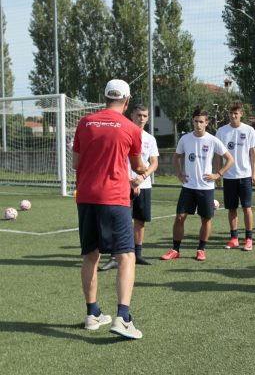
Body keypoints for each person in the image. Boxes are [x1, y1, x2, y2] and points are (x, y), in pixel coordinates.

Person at [73, 79, 146, 339]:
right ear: (127, 102)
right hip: (114, 198)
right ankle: (123, 317)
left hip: (86, 197)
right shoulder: (130, 127)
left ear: (104, 98)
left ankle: (92, 314)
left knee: (91, 255)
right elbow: (137, 166)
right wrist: (142, 170)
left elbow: (75, 162)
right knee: (126, 255)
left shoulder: (85, 123)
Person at [161, 108, 234, 261]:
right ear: (192, 121)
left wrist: (217, 174)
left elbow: (230, 159)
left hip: (206, 188)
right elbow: (177, 157)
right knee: (180, 217)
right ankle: (175, 249)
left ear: (206, 123)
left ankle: (201, 249)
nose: (198, 124)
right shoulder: (185, 139)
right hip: (188, 187)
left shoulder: (213, 140)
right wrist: (179, 173)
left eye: (201, 122)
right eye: (196, 121)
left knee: (206, 219)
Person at [99, 104, 159, 271]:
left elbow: (154, 163)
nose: (141, 118)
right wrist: (129, 180)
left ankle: (137, 254)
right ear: (132, 115)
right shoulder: (122, 133)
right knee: (118, 221)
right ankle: (113, 257)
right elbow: (116, 160)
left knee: (140, 221)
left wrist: (142, 177)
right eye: (139, 114)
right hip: (122, 185)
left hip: (144, 184)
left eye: (145, 115)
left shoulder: (150, 139)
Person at [215, 102, 255, 252]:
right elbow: (218, 154)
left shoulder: (249, 130)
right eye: (231, 113)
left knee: (247, 208)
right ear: (228, 114)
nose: (233, 116)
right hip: (228, 176)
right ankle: (234, 238)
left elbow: (253, 153)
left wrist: (254, 173)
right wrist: (218, 173)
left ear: (241, 114)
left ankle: (249, 239)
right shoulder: (221, 131)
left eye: (236, 113)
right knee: (231, 209)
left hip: (245, 175)